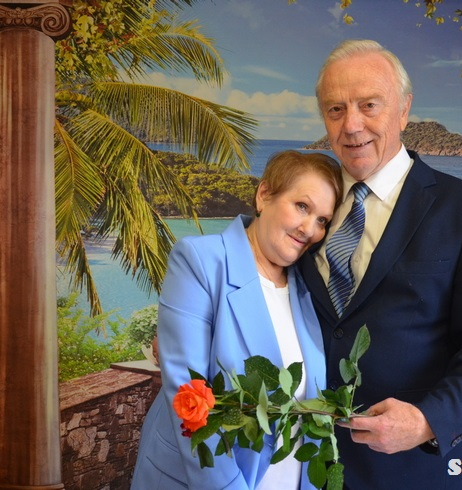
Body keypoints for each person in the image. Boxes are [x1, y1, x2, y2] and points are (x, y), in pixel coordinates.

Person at [297, 39, 462, 489]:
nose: (351, 125)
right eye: (336, 109)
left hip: (416, 469)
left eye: (369, 105)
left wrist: (427, 420)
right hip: (302, 465)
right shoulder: (303, 206)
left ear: (404, 110)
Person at [131, 150, 343, 490]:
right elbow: (186, 393)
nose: (310, 229)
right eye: (302, 206)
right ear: (264, 195)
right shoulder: (201, 260)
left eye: (322, 220)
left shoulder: (307, 288)